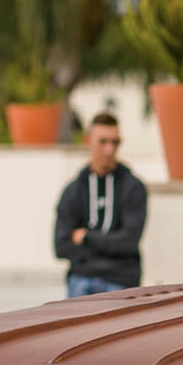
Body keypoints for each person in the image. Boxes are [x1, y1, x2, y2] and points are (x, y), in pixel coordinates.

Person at [54, 112, 147, 297]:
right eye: (103, 142)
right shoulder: (73, 190)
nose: (109, 149)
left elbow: (129, 242)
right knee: (75, 308)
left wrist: (86, 237)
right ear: (88, 141)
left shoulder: (134, 187)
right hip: (82, 277)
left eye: (115, 142)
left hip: (121, 279)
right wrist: (111, 246)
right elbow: (60, 246)